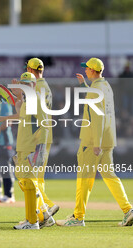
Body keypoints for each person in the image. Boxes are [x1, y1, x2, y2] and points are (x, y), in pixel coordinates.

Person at [56, 57, 133, 227]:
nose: (85, 70)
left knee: (84, 179)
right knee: (110, 176)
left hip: (92, 143)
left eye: (87, 68)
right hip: (108, 140)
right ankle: (128, 210)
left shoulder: (95, 90)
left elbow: (97, 117)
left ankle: (78, 217)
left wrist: (96, 143)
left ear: (92, 70)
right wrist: (85, 86)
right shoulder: (105, 86)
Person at [10, 72, 50, 230]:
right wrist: (18, 98)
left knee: (30, 184)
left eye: (28, 84)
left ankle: (33, 221)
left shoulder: (36, 100)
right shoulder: (28, 101)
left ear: (34, 85)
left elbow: (45, 125)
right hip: (22, 148)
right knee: (26, 184)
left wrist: (40, 149)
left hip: (31, 148)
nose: (25, 87)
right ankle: (33, 218)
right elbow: (21, 116)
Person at [26, 58, 59, 217]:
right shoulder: (46, 86)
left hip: (36, 137)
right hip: (47, 135)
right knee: (39, 177)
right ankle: (43, 210)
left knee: (31, 178)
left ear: (29, 70)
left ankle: (46, 206)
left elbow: (31, 114)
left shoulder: (35, 88)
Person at [0, 101, 15, 203]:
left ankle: (9, 194)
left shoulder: (5, 105)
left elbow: (7, 122)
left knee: (5, 168)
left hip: (4, 142)